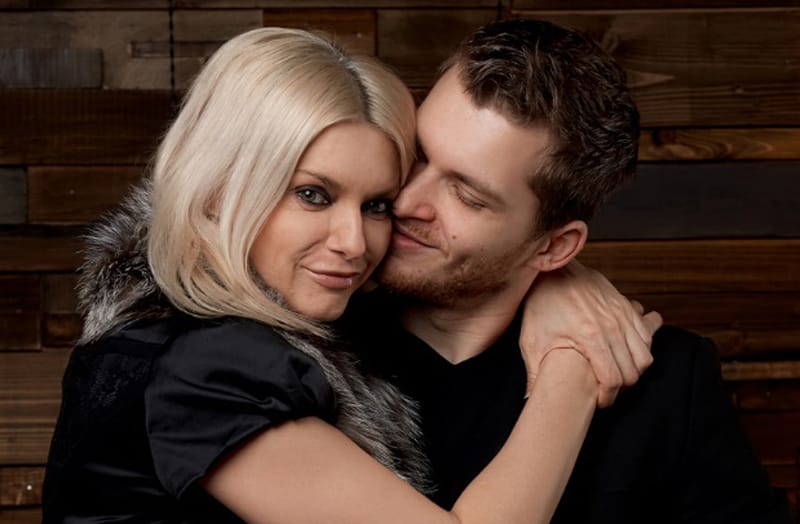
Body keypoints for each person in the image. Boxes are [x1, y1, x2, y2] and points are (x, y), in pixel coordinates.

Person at [43, 27, 654, 524]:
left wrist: (557, 280)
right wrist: (573, 369)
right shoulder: (204, 370)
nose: (355, 243)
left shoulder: (265, 331)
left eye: (376, 203)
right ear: (224, 186)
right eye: (313, 194)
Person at [345, 18, 793, 523]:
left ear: (555, 247)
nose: (406, 201)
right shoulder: (313, 340)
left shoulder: (669, 379)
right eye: (417, 155)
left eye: (467, 196)